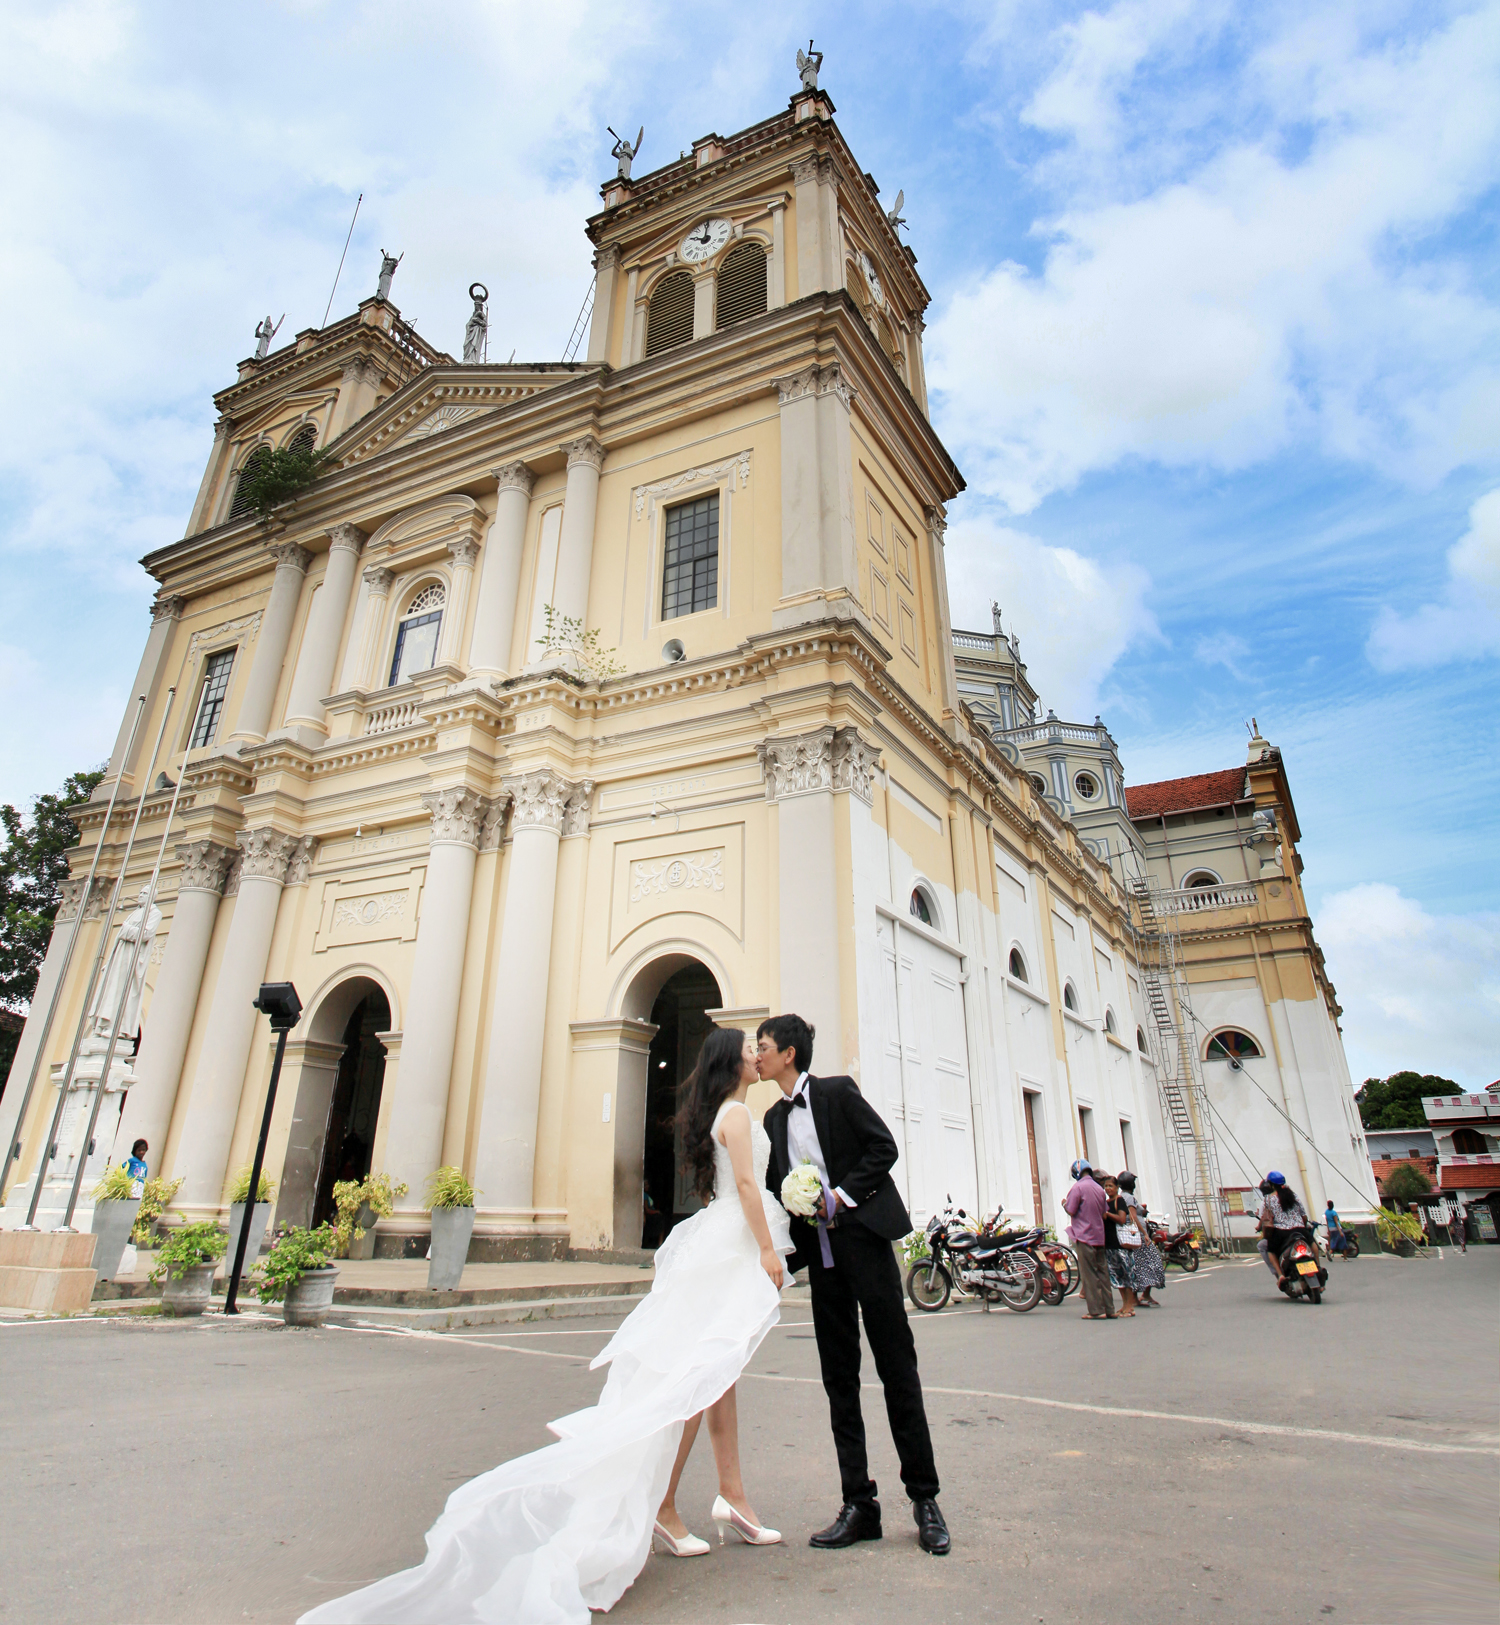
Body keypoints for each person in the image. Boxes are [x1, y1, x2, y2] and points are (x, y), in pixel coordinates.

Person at [299, 1026, 792, 1624]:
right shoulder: (737, 1118)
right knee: (694, 1375)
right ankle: (666, 1504)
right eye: (748, 1050)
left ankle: (730, 1497)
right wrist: (769, 1250)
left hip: (718, 1242)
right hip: (733, 1245)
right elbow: (744, 1185)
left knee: (716, 1369)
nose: (756, 1055)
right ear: (729, 1063)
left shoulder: (726, 1113)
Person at [759, 1013, 949, 1557]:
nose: (758, 1054)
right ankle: (858, 1503)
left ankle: (925, 1498)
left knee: (896, 1367)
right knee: (838, 1376)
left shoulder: (838, 1092)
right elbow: (776, 1185)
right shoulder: (774, 1118)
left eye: (764, 1045)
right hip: (822, 1258)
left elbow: (881, 1149)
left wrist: (838, 1196)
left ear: (789, 1053)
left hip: (865, 1240)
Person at [1062, 1158, 1115, 1320]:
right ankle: (1109, 1309)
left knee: (1090, 1275)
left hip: (1085, 1237)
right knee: (1103, 1273)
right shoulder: (1099, 1190)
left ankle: (1095, 1310)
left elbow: (1071, 1209)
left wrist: (1064, 1203)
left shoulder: (1078, 1187)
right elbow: (1103, 1211)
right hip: (1099, 1237)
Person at [1256, 1172, 1313, 1292]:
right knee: (1312, 1244)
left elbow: (1264, 1219)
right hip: (1299, 1230)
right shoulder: (1294, 1196)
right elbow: (1304, 1216)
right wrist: (1301, 1225)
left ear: (1271, 1185)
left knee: (1270, 1250)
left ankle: (1280, 1275)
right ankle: (1317, 1266)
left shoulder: (1268, 1200)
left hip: (1281, 1233)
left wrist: (1258, 1227)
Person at [1118, 1172, 1164, 1306]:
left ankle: (1142, 1295)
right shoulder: (1129, 1199)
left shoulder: (1123, 1197)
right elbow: (1133, 1217)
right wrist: (1144, 1233)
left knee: (1137, 1266)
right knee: (1152, 1263)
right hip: (1138, 1237)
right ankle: (1140, 1296)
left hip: (1132, 1237)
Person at [1102, 1175, 1138, 1317]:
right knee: (1117, 1277)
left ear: (1117, 1188)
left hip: (1121, 1244)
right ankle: (1124, 1305)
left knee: (1126, 1275)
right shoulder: (1106, 1203)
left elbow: (1122, 1219)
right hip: (1110, 1244)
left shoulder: (1119, 1201)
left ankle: (1130, 1306)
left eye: (1111, 1186)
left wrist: (1108, 1214)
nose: (1108, 1189)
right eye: (1106, 1186)